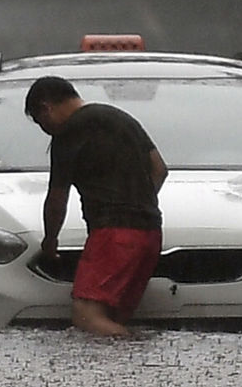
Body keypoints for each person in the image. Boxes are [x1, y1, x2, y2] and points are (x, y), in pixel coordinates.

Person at [25, 76, 168, 337]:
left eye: (39, 121)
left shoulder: (68, 132)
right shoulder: (123, 119)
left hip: (113, 236)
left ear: (46, 107)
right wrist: (139, 204)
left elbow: (57, 198)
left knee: (86, 316)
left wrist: (50, 240)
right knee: (111, 318)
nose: (44, 129)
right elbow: (159, 170)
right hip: (150, 234)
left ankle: (150, 355)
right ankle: (127, 372)